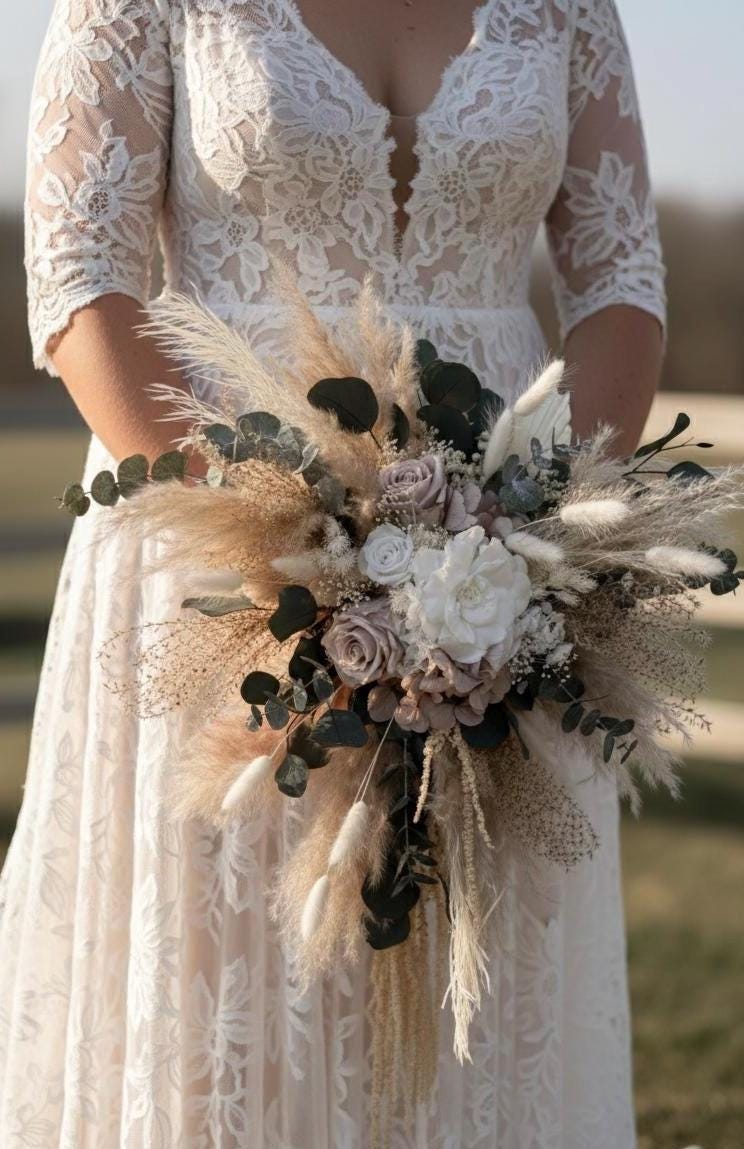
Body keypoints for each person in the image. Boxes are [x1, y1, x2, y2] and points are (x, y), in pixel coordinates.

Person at [0, 1, 665, 1145]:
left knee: (478, 978)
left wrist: (521, 545)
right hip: (214, 569)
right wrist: (281, 538)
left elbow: (623, 288)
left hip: (504, 573)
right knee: (237, 985)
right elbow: (79, 279)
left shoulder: (567, 9)